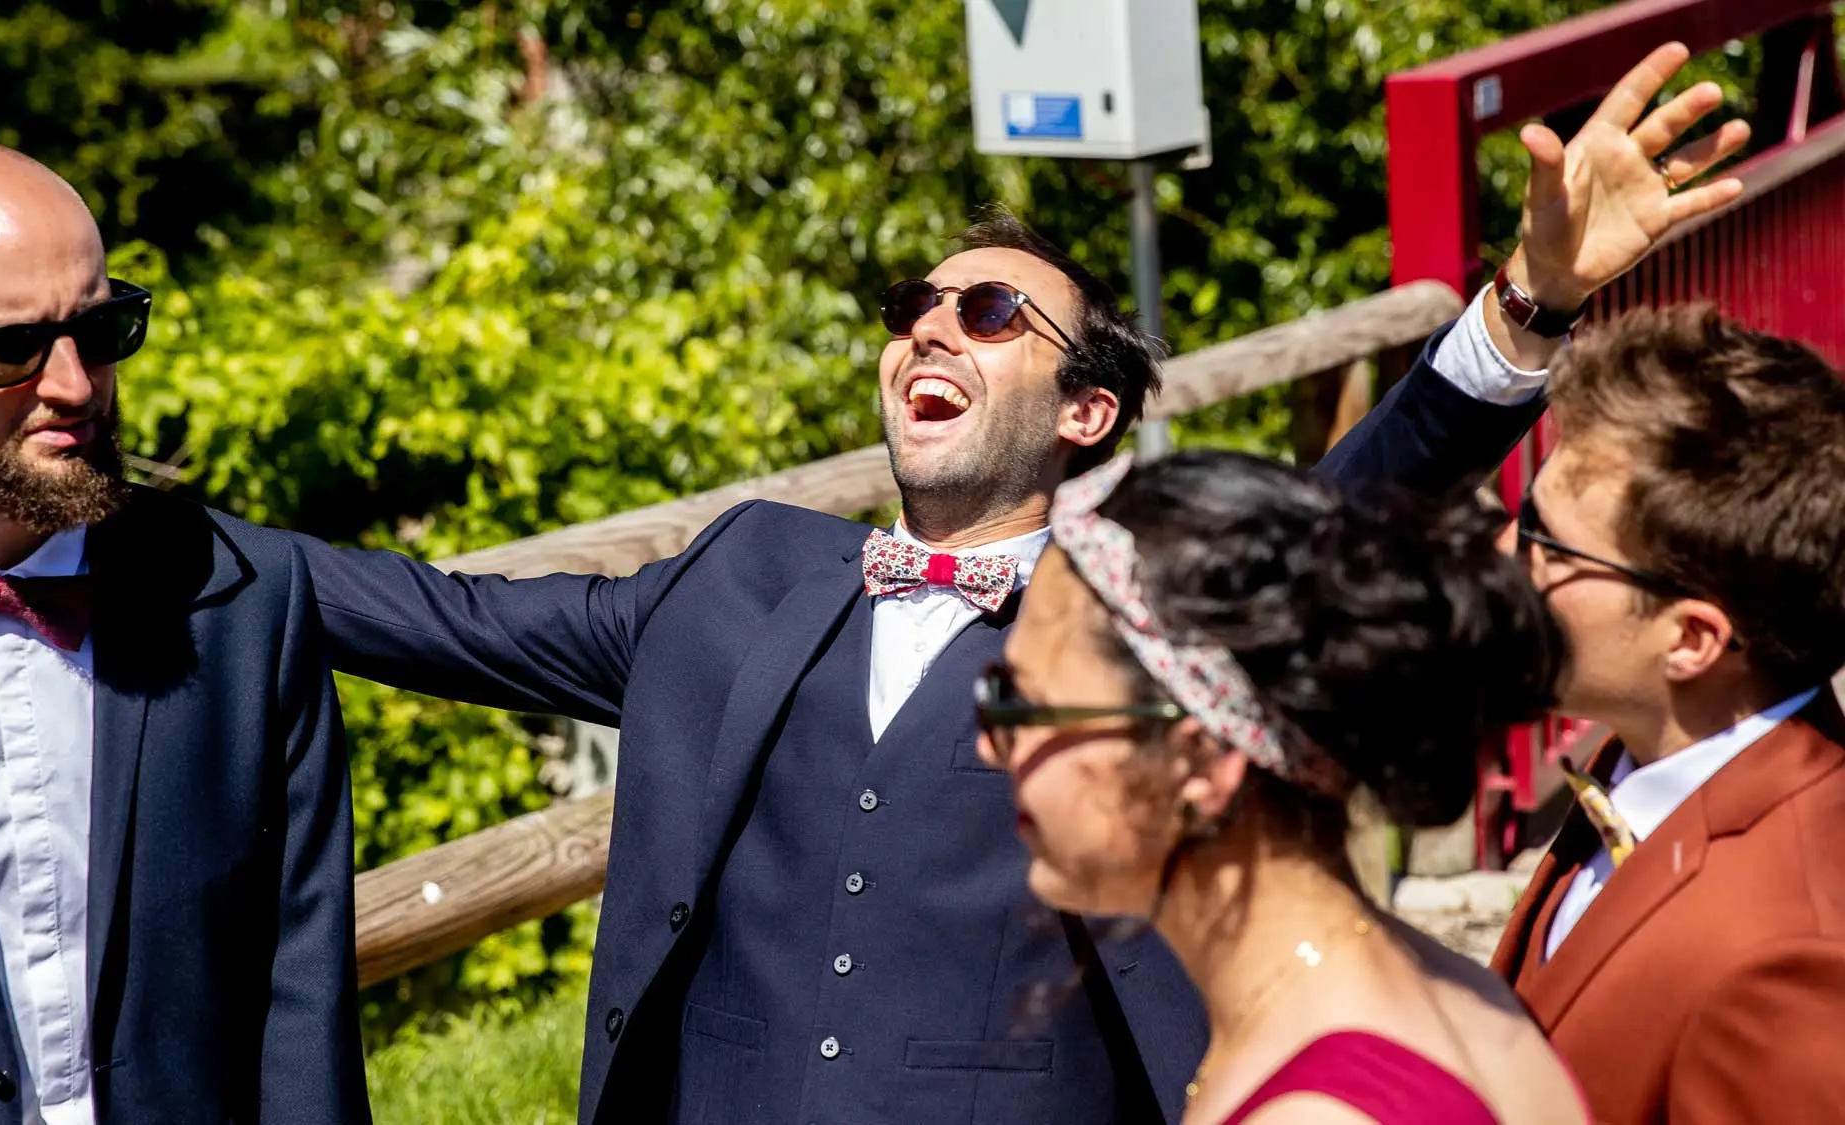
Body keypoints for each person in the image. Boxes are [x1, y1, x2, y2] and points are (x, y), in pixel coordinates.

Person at [292, 45, 1737, 1125]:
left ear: (1085, 411)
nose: (931, 328)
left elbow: (1348, 503)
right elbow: (443, 615)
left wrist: (1528, 307)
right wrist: (147, 540)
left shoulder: (1132, 602)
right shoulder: (744, 573)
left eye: (986, 313)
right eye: (909, 310)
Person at [0, 139, 368, 1124]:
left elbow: (301, 999)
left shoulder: (245, 605)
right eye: (9, 349)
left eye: (104, 327)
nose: (77, 386)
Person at [978, 449, 1588, 1125]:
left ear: (1201, 760)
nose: (990, 741)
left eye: (1023, 705)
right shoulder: (1453, 990)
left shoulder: (1321, 1108)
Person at [1485, 302, 1845, 1120]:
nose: (1504, 552)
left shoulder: (1793, 960)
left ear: (1690, 638)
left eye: (1547, 541)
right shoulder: (1646, 768)